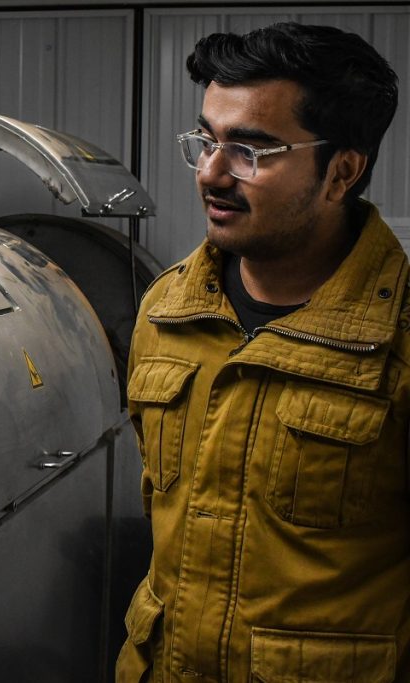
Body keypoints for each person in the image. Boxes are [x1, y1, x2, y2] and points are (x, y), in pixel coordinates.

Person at [118, 22, 406, 682]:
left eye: (251, 150)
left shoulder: (399, 339)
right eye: (207, 141)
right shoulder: (166, 310)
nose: (212, 173)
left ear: (342, 171)